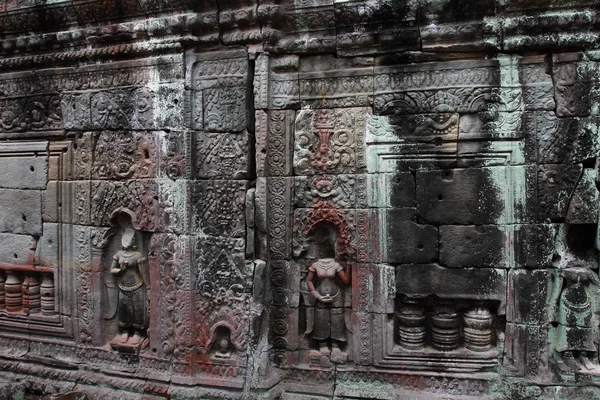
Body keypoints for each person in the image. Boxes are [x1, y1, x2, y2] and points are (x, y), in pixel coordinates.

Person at [306, 257, 351, 360]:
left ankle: (335, 345)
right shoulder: (315, 265)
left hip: (336, 296)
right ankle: (323, 344)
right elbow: (309, 281)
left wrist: (348, 266)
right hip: (320, 295)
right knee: (321, 319)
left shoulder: (335, 265)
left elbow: (346, 281)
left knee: (337, 319)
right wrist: (317, 295)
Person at [110, 228, 148, 347]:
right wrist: (121, 269)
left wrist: (149, 287)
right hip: (123, 285)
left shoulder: (138, 255)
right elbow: (112, 270)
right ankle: (125, 331)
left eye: (129, 239)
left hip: (137, 286)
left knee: (137, 309)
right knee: (124, 308)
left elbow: (144, 272)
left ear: (134, 241)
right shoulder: (119, 254)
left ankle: (137, 332)